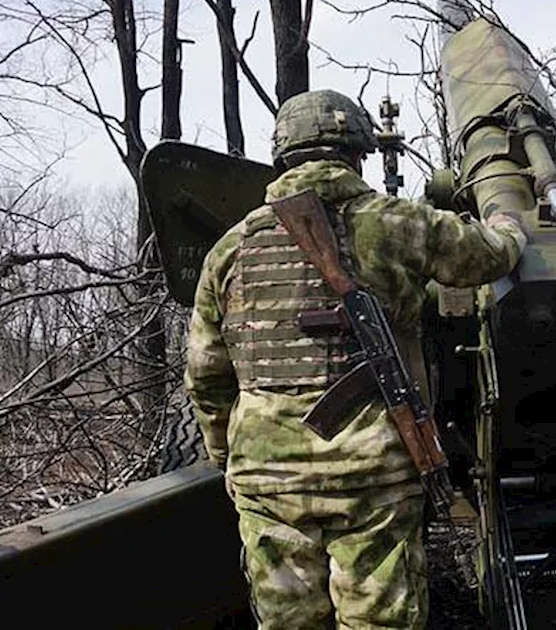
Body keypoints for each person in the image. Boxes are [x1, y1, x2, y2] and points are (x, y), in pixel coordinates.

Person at [183, 89, 527, 629]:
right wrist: (509, 220)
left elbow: (207, 376)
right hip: (375, 476)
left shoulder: (230, 249)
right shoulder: (402, 224)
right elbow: (492, 255)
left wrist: (230, 456)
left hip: (268, 480)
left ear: (283, 154)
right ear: (358, 152)